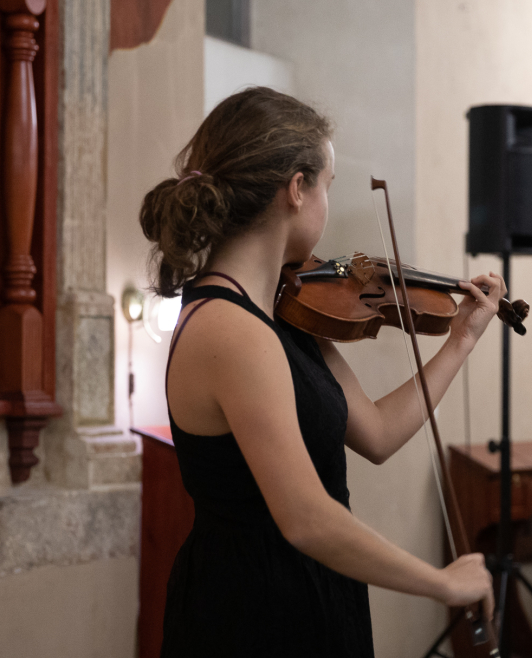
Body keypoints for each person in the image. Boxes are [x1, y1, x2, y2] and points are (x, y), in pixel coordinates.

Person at [139, 87, 503, 657]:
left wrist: (460, 340)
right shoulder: (230, 331)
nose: (327, 207)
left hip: (310, 596)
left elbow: (377, 434)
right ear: (297, 189)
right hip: (253, 616)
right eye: (328, 186)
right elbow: (306, 518)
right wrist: (441, 582)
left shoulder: (284, 316)